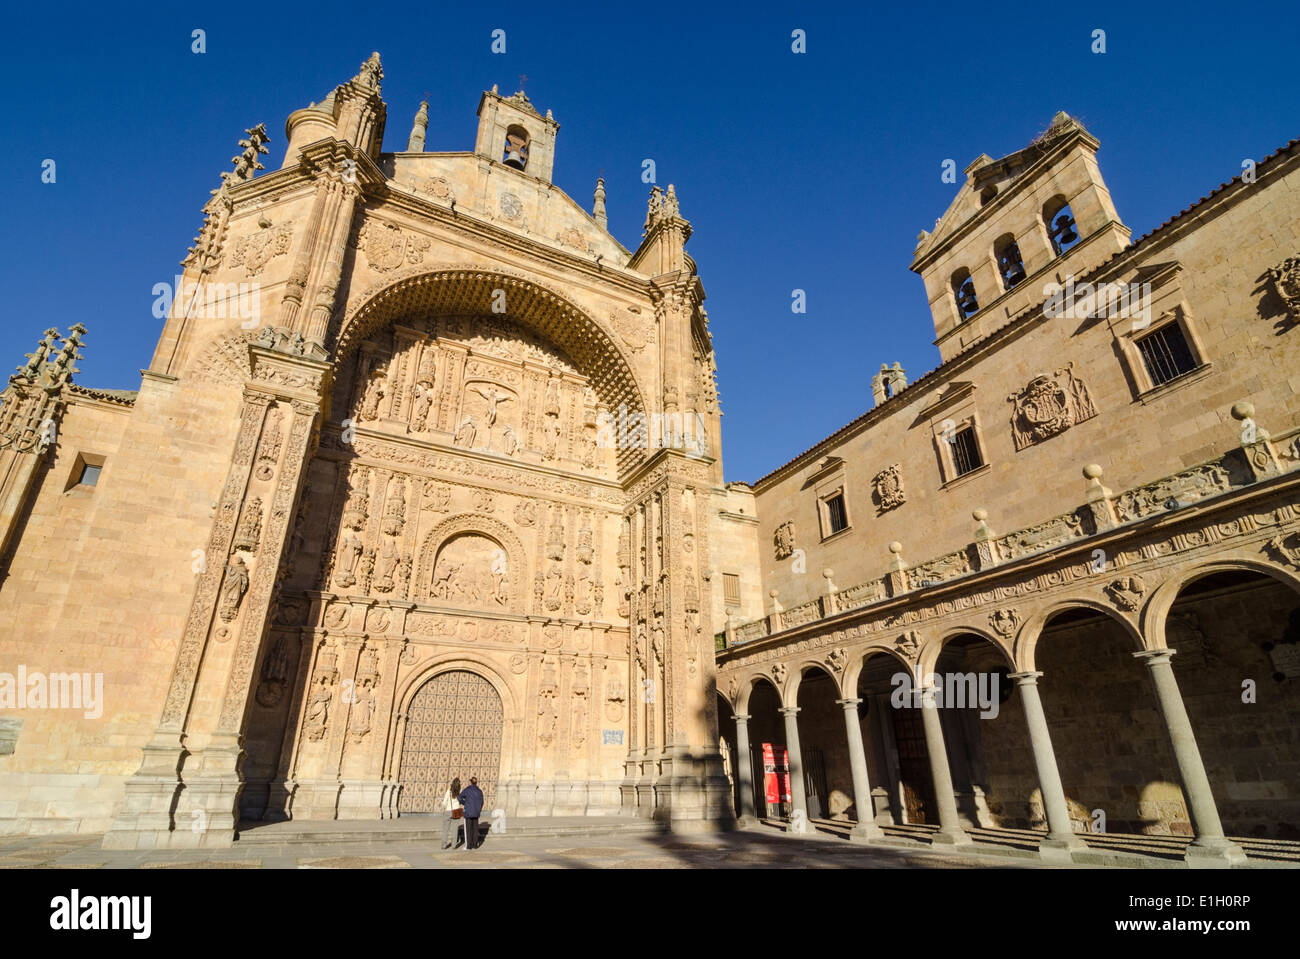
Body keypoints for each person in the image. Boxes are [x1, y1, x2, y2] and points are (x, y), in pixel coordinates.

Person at [458, 776, 485, 850]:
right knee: (475, 829)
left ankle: (468, 846)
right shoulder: (479, 791)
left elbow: (459, 797)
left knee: (468, 829)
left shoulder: (467, 789)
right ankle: (475, 844)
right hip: (476, 812)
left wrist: (464, 803)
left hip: (468, 812)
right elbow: (482, 802)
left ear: (470, 782)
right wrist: (478, 809)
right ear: (476, 783)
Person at [439, 777, 463, 850]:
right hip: (456, 811)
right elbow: (461, 801)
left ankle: (444, 845)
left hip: (448, 811)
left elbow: (444, 801)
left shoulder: (449, 791)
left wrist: (443, 808)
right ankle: (454, 845)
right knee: (455, 829)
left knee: (445, 829)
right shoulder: (460, 791)